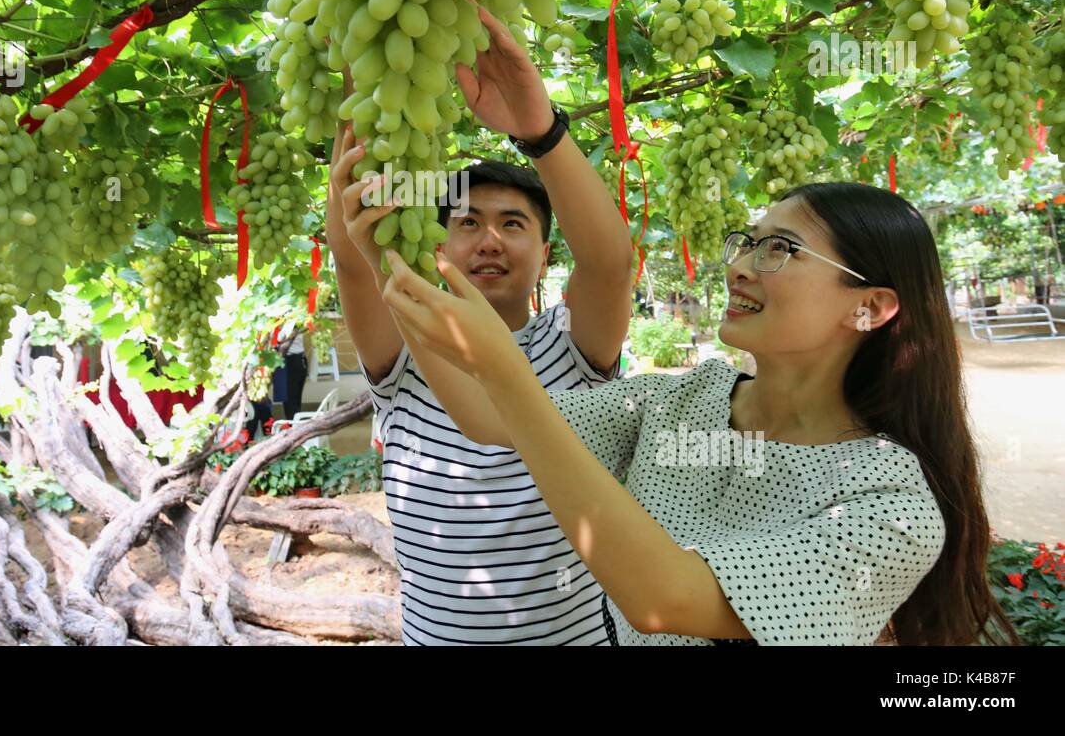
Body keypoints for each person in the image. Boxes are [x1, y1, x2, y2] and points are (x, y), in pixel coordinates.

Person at [378, 181, 1017, 646]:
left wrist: (506, 368)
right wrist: (387, 259)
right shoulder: (680, 400)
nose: (738, 267)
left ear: (870, 308)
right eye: (748, 243)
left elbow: (665, 601)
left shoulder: (890, 504)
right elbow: (496, 421)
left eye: (781, 249)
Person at [327, 1, 635, 645]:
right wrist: (368, 90)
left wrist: (541, 130)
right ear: (437, 245)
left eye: (513, 224)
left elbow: (609, 264)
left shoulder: (572, 348)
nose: (489, 238)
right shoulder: (409, 348)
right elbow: (357, 267)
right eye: (466, 222)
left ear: (547, 254)